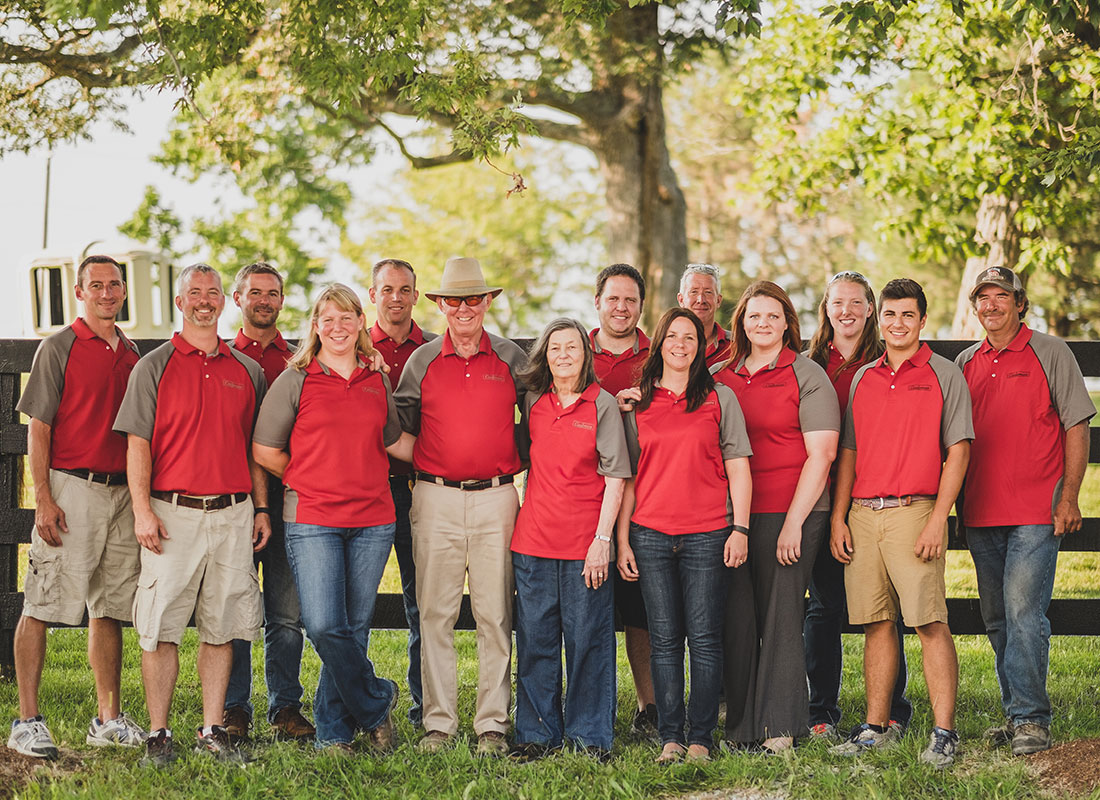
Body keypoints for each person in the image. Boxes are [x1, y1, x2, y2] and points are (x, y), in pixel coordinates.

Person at [113, 264, 269, 767]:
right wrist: (142, 510)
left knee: (221, 626)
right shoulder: (153, 366)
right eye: (195, 293)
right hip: (171, 513)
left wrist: (261, 507)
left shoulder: (246, 370)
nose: (204, 300)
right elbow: (138, 444)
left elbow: (255, 448)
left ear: (224, 301)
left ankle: (212, 729)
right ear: (180, 302)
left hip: (233, 514)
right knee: (160, 626)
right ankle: (159, 734)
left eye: (213, 293)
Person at [253, 283, 403, 753]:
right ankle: (377, 700)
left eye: (346, 318)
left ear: (361, 322)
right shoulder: (296, 380)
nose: (338, 327)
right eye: (328, 319)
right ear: (316, 326)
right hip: (313, 518)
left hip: (373, 519)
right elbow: (264, 449)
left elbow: (391, 439)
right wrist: (308, 479)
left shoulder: (376, 379)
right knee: (321, 624)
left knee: (354, 627)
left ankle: (334, 731)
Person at [829, 278, 972, 769]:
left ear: (922, 320)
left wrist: (937, 519)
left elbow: (958, 452)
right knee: (876, 623)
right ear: (879, 317)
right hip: (863, 515)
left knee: (929, 621)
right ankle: (876, 728)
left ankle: (944, 732)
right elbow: (849, 452)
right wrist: (839, 517)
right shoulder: (863, 378)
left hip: (916, 511)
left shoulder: (944, 374)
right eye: (890, 314)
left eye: (908, 314)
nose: (898, 323)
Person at [9, 256, 146, 759]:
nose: (107, 293)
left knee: (109, 608)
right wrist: (43, 499)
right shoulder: (59, 347)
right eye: (97, 285)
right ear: (80, 292)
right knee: (42, 603)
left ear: (124, 291)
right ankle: (26, 721)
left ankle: (107, 720)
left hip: (122, 495)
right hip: (72, 489)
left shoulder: (131, 351)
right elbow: (38, 428)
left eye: (114, 285)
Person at [956, 266, 1095, 756]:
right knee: (996, 617)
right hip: (980, 511)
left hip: (1037, 510)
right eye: (983, 298)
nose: (991, 305)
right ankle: (1016, 713)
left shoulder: (1050, 351)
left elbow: (1077, 425)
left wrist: (1069, 495)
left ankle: (1033, 719)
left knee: (1023, 612)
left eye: (1001, 296)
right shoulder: (967, 361)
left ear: (1019, 303)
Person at [392, 256, 528, 757]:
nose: (464, 308)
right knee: (435, 614)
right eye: (454, 300)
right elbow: (398, 426)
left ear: (487, 301)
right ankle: (439, 724)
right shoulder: (422, 360)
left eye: (473, 298)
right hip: (435, 498)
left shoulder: (512, 358)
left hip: (497, 497)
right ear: (441, 305)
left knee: (496, 613)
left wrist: (510, 455)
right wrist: (435, 458)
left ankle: (492, 724)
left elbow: (541, 420)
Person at [616, 308, 752, 764]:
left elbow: (738, 468)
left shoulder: (719, 397)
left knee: (705, 638)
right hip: (650, 535)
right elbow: (628, 478)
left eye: (689, 337)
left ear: (700, 346)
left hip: (708, 534)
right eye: (672, 336)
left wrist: (740, 528)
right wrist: (622, 540)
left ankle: (701, 739)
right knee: (664, 639)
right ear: (659, 344)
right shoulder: (638, 403)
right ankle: (671, 737)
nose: (680, 344)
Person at [713, 281, 840, 753]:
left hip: (794, 509)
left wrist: (793, 523)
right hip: (733, 515)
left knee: (782, 614)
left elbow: (823, 455)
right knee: (738, 617)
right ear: (740, 323)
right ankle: (742, 723)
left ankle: (781, 726)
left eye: (772, 315)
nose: (762, 323)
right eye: (753, 316)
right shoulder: (721, 375)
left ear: (787, 322)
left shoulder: (806, 374)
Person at [509, 318, 631, 762]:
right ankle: (537, 734)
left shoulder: (602, 405)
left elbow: (616, 477)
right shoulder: (534, 402)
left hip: (585, 546)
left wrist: (602, 540)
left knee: (588, 642)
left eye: (572, 347)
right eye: (555, 347)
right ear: (545, 354)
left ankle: (589, 736)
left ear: (585, 355)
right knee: (536, 642)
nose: (563, 355)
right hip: (533, 544)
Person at [803, 271, 913, 740]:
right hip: (821, 499)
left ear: (870, 309)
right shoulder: (809, 364)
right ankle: (820, 710)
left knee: (886, 607)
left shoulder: (886, 360)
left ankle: (893, 709)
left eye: (855, 302)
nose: (845, 311)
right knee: (824, 606)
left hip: (875, 500)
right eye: (837, 303)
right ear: (826, 309)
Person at [224, 262, 314, 743]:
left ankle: (285, 707)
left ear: (282, 300)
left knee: (286, 612)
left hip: (287, 497)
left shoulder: (299, 360)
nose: (264, 300)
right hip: (234, 501)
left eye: (273, 293)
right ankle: (234, 707)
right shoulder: (224, 357)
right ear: (238, 299)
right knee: (235, 607)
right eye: (255, 292)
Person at [368, 257, 438, 729]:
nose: (396, 297)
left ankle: (424, 706)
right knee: (356, 604)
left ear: (415, 295)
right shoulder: (350, 347)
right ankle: (359, 701)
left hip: (418, 487)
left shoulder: (433, 350)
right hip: (368, 490)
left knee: (422, 602)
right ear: (373, 295)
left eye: (405, 289)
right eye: (387, 289)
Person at [589, 263, 657, 737]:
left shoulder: (659, 356)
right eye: (613, 298)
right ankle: (591, 708)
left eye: (630, 300)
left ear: (641, 306)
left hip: (643, 498)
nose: (621, 307)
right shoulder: (575, 351)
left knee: (640, 611)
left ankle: (649, 707)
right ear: (597, 302)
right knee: (589, 608)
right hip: (583, 498)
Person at [677, 263, 731, 367]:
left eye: (708, 292)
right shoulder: (666, 346)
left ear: (718, 300)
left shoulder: (737, 346)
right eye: (694, 292)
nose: (701, 300)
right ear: (681, 299)